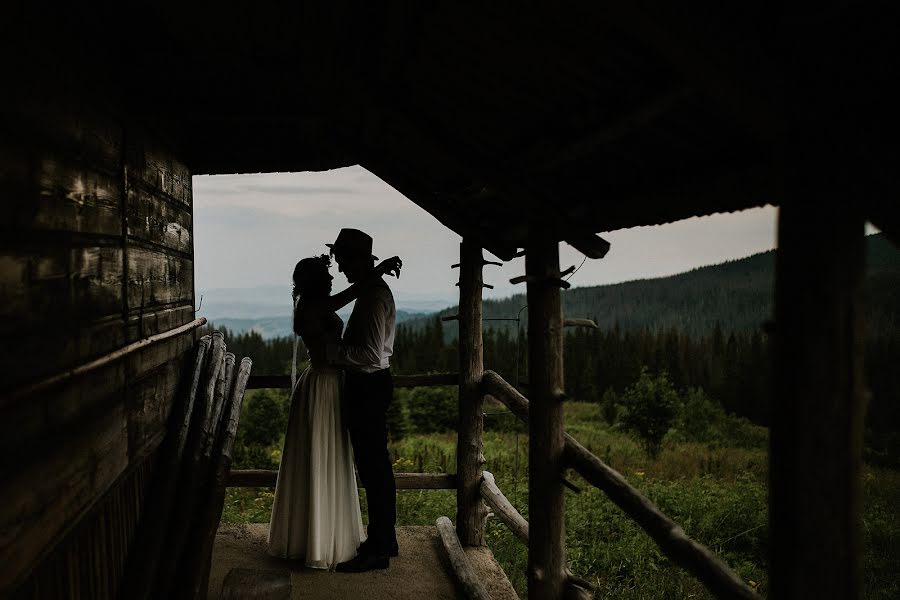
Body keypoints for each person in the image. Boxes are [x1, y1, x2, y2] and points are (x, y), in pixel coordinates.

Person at [267, 250, 401, 570]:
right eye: (326, 275)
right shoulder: (313, 307)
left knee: (330, 454)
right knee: (321, 455)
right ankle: (319, 537)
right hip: (324, 384)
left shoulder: (313, 304)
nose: (332, 277)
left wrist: (374, 273)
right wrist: (377, 270)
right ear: (314, 281)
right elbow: (350, 294)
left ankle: (324, 534)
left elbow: (348, 297)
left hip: (330, 383)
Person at [325, 228, 400, 573]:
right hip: (371, 386)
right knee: (376, 467)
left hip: (368, 387)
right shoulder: (370, 290)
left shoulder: (372, 298)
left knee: (374, 469)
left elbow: (369, 354)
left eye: (342, 260)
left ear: (357, 260)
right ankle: (384, 540)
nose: (340, 268)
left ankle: (379, 548)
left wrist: (331, 353)